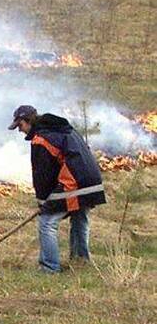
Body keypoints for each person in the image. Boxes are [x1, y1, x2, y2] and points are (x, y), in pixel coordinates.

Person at [8, 105, 106, 273]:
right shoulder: (63, 129)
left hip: (74, 182)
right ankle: (80, 261)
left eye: (20, 125)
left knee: (47, 222)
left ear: (28, 121)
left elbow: (43, 175)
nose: (20, 131)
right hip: (92, 180)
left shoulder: (41, 139)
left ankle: (49, 268)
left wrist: (43, 202)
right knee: (79, 217)